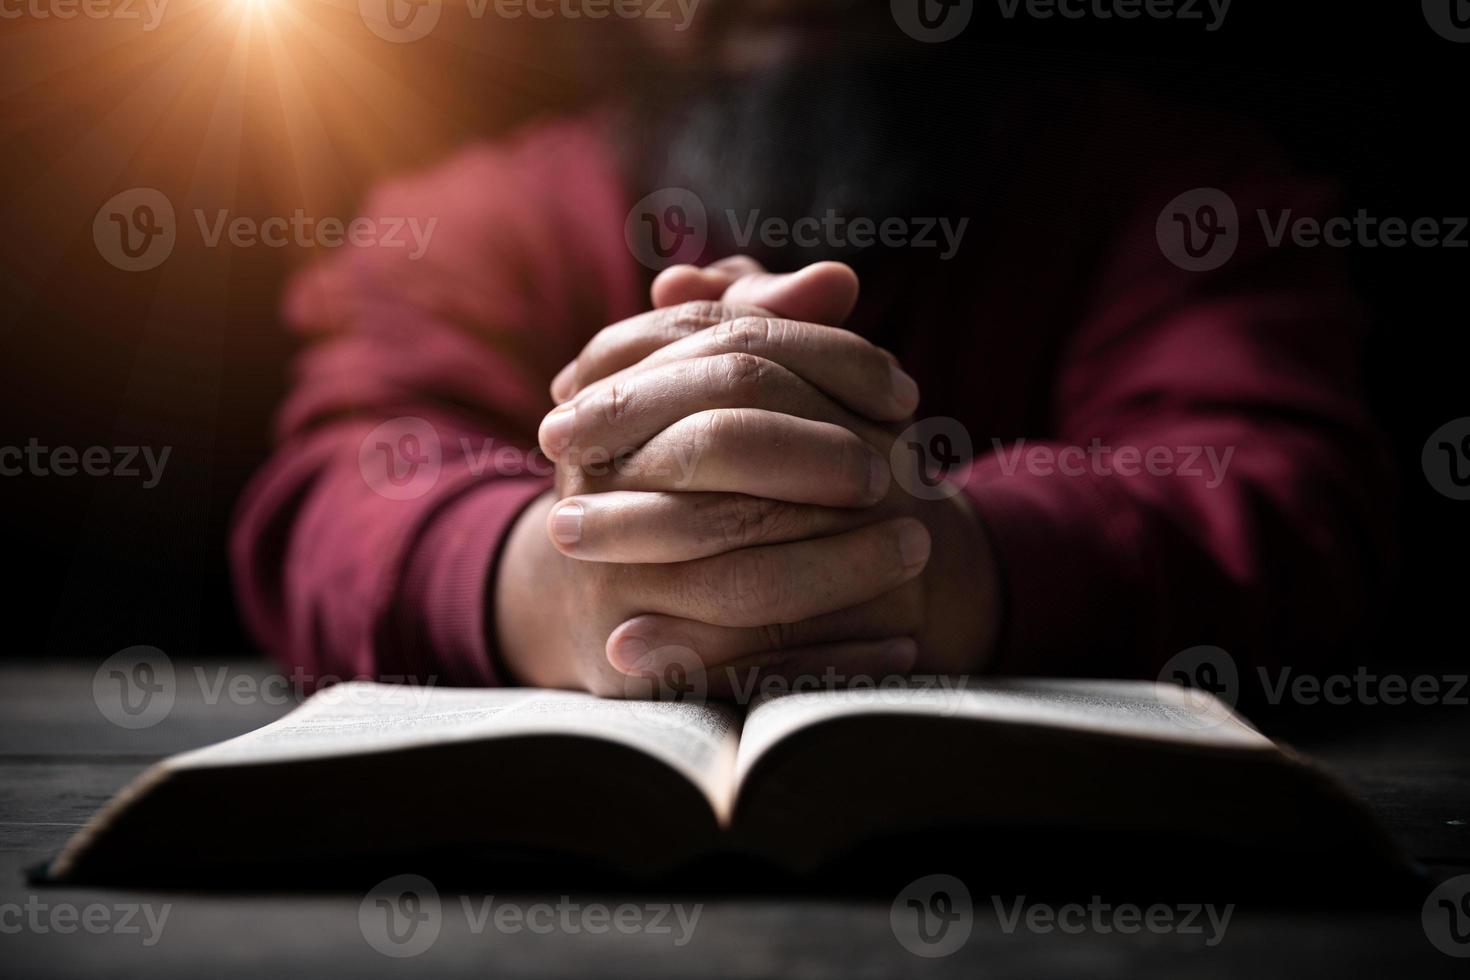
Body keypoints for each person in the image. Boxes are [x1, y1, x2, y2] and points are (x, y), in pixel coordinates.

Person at [230, 9, 1391, 698]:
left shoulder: (1182, 189)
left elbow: (1286, 491)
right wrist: (550, 574)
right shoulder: (471, 219)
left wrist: (935, 557)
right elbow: (335, 490)